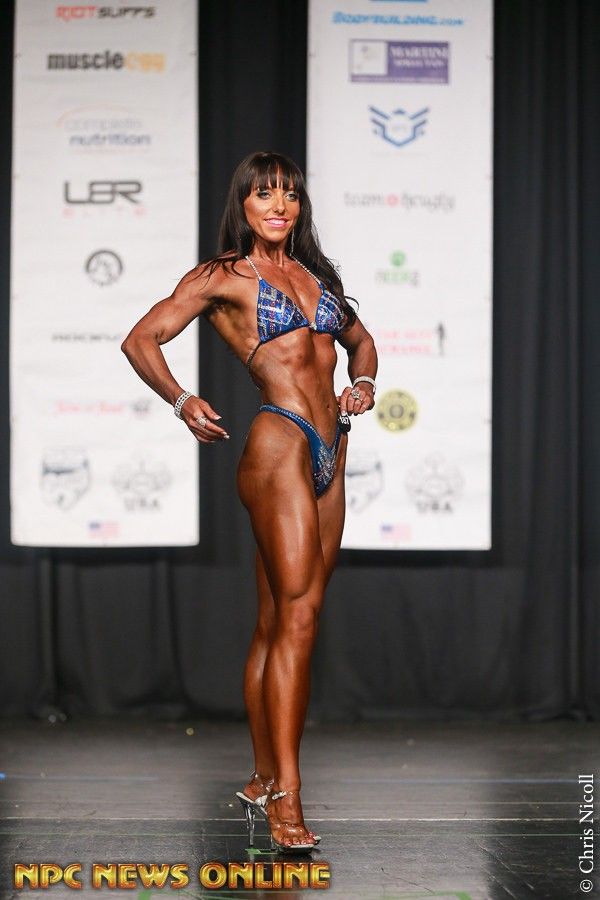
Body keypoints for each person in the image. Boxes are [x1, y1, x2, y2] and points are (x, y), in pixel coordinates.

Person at [121, 151, 378, 852]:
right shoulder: (222, 276)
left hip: (332, 447)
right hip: (279, 443)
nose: (279, 205)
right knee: (296, 619)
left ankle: (264, 776)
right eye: (265, 194)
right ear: (244, 203)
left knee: (283, 619)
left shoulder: (317, 278)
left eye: (290, 194)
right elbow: (141, 339)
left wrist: (363, 383)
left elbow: (361, 343)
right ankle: (287, 798)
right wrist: (181, 400)